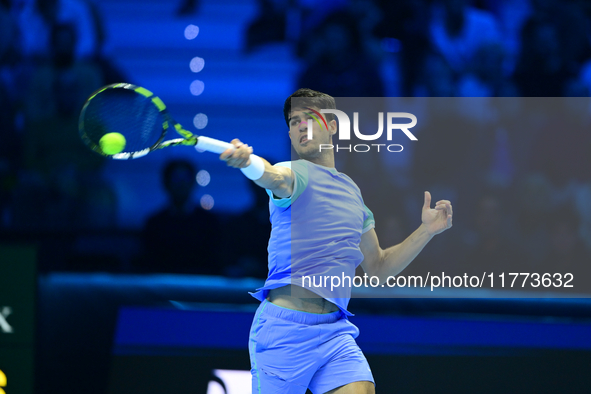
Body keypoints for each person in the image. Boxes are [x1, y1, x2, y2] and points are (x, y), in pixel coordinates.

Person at [220, 88, 453, 393]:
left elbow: (378, 266)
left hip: (334, 332)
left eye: (310, 117)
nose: (301, 126)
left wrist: (427, 231)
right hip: (284, 331)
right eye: (294, 121)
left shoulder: (353, 193)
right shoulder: (294, 172)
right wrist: (249, 163)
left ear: (331, 126)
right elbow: (272, 177)